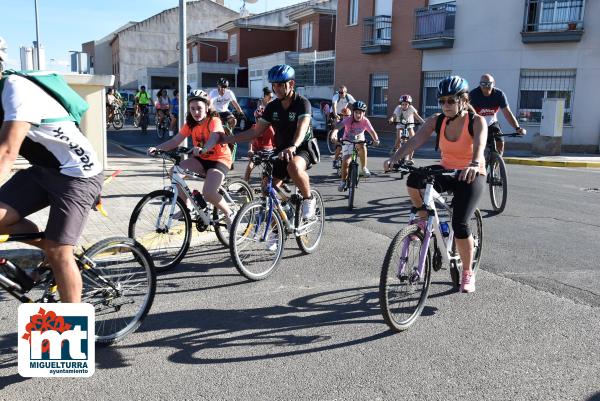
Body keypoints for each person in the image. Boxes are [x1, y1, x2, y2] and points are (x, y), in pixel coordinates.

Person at [0, 37, 103, 302]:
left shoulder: (15, 89)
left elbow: (7, 153)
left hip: (78, 174)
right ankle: (51, 245)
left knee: (59, 253)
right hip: (45, 169)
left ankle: (74, 333)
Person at [384, 76, 487, 293]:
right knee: (414, 179)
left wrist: (474, 164)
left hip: (471, 173)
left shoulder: (476, 121)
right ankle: (423, 221)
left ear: (463, 100)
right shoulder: (437, 120)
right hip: (448, 169)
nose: (445, 105)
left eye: (450, 100)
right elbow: (415, 141)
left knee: (459, 223)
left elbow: (479, 144)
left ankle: (468, 272)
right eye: (442, 101)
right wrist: (395, 157)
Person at [222, 64, 317, 219]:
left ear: (291, 84)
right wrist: (228, 138)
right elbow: (255, 131)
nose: (276, 88)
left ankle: (308, 198)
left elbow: (302, 127)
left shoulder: (302, 103)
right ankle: (275, 233)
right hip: (281, 150)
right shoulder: (272, 107)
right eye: (273, 85)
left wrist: (293, 146)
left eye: (280, 84)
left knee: (293, 166)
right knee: (267, 190)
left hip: (303, 147)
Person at [147, 90, 236, 225]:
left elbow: (215, 136)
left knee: (208, 192)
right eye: (192, 109)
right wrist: (157, 148)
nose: (196, 112)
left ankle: (230, 214)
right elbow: (175, 141)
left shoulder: (214, 120)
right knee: (174, 171)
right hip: (201, 158)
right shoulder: (190, 124)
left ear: (207, 107)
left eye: (199, 108)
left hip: (219, 159)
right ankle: (187, 206)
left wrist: (204, 148)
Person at [469, 74, 526, 155]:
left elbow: (507, 113)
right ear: (480, 84)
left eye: (489, 84)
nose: (485, 86)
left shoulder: (499, 94)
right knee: (476, 146)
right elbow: (466, 113)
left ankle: (497, 163)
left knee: (500, 143)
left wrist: (517, 128)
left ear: (493, 83)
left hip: (492, 123)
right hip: (477, 124)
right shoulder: (473, 95)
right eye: (483, 84)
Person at [330, 100, 380, 191]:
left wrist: (376, 140)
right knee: (346, 161)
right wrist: (333, 135)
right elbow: (338, 127)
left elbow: (372, 132)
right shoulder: (348, 119)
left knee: (362, 146)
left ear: (363, 113)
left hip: (359, 140)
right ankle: (343, 181)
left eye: (360, 113)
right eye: (356, 112)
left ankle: (364, 168)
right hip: (347, 140)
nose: (358, 115)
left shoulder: (365, 121)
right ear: (353, 112)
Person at [388, 94, 425, 164]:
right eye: (403, 104)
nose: (404, 106)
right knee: (399, 138)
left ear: (409, 104)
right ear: (400, 104)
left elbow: (417, 116)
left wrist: (423, 122)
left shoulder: (411, 108)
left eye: (406, 104)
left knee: (413, 141)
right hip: (400, 125)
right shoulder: (398, 108)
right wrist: (391, 119)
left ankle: (409, 159)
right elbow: (394, 115)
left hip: (409, 125)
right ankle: (395, 148)